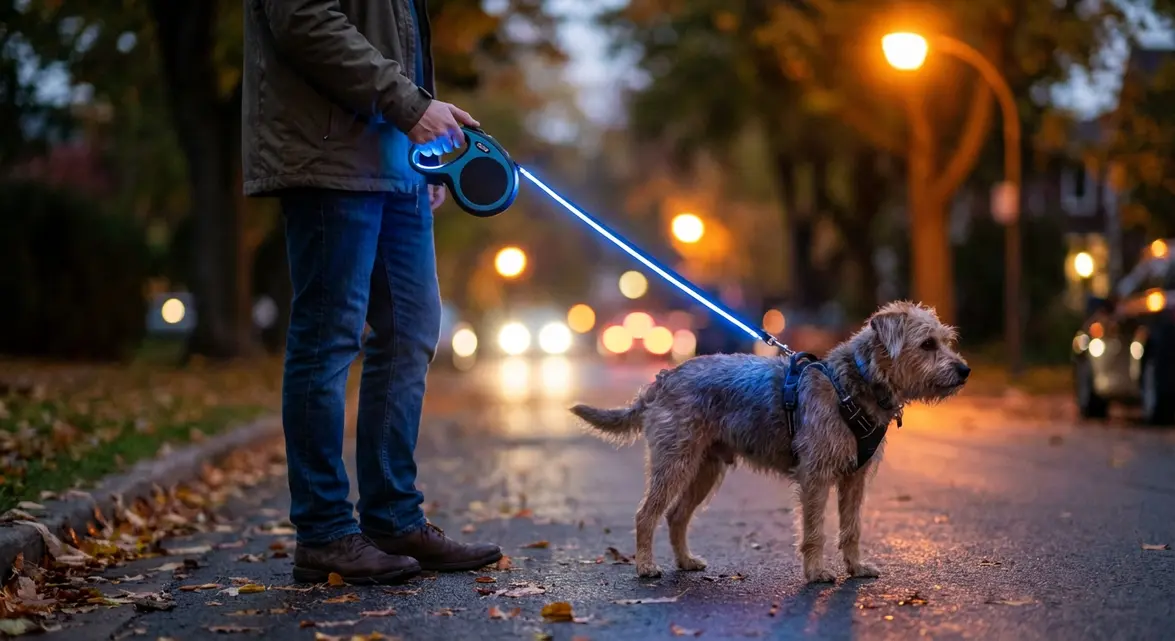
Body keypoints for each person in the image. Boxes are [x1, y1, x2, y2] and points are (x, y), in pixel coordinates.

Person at [242, 0, 502, 584]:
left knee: (411, 333)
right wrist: (411, 107)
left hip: (398, 162)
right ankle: (325, 533)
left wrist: (429, 154)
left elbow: (401, 37)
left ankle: (392, 519)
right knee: (329, 337)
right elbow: (303, 20)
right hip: (330, 155)